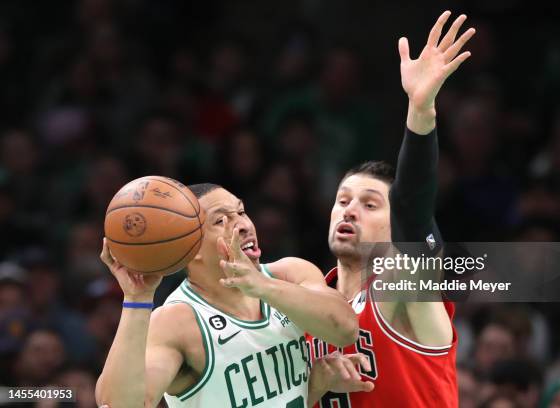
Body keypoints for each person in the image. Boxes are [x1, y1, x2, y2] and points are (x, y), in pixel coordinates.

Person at [306, 10, 475, 407]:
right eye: (343, 201)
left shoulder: (401, 288)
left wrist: (421, 111)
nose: (349, 211)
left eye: (369, 204)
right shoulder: (308, 306)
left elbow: (413, 212)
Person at [95, 183, 363, 408]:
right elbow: (118, 405)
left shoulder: (291, 274)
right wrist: (137, 298)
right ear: (190, 248)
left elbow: (345, 329)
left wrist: (310, 387)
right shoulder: (177, 321)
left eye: (241, 211)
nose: (244, 225)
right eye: (221, 220)